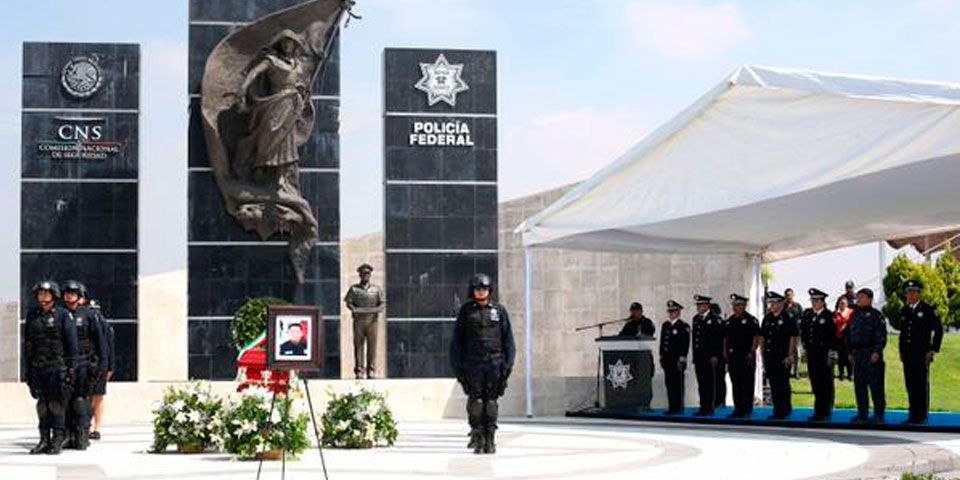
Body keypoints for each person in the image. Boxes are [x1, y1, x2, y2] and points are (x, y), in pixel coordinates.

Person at [450, 274, 515, 454]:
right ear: (472, 291)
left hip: (495, 363)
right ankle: (478, 438)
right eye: (477, 289)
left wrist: (508, 365)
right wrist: (458, 368)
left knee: (491, 401)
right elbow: (457, 342)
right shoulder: (466, 311)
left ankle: (490, 439)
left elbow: (508, 340)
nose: (481, 292)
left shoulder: (499, 311)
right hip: (473, 364)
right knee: (476, 401)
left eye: (484, 289)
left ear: (489, 290)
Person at [24, 281, 78, 455]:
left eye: (46, 294)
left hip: (57, 367)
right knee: (42, 405)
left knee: (56, 405)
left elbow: (72, 345)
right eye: (40, 294)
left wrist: (71, 369)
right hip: (38, 367)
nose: (42, 297)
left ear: (54, 296)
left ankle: (57, 440)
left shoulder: (63, 315)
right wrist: (28, 370)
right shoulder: (33, 315)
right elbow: (28, 344)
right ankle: (44, 439)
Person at [61, 281, 108, 450]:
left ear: (79, 296)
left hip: (85, 363)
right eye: (67, 293)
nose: (69, 296)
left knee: (81, 400)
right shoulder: (60, 314)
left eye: (73, 293)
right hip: (65, 364)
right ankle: (67, 435)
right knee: (65, 401)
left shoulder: (89, 314)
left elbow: (100, 341)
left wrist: (103, 364)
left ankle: (82, 435)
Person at [889, 280, 943, 425]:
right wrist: (901, 351)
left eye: (913, 292)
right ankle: (913, 415)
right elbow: (903, 333)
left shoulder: (927, 309)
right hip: (908, 354)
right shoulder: (905, 310)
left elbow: (938, 330)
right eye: (908, 293)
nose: (909, 295)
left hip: (921, 353)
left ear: (919, 294)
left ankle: (922, 416)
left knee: (921, 385)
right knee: (910, 385)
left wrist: (932, 349)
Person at [846, 288, 887, 424]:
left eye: (862, 297)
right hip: (858, 354)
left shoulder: (876, 315)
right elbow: (849, 334)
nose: (858, 299)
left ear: (870, 299)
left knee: (876, 386)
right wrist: (849, 351)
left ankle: (879, 414)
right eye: (858, 297)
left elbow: (881, 336)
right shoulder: (854, 315)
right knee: (860, 385)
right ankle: (862, 413)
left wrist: (877, 351)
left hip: (871, 353)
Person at [759, 291, 798, 419]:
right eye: (770, 303)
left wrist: (790, 355)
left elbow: (792, 337)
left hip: (782, 356)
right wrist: (762, 355)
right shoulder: (767, 318)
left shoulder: (788, 318)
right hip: (770, 356)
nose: (771, 305)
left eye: (774, 303)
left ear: (781, 303)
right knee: (773, 384)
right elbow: (763, 337)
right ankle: (777, 409)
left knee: (782, 384)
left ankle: (785, 409)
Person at [800, 288, 837, 421]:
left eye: (816, 301)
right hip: (812, 354)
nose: (813, 303)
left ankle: (826, 410)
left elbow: (833, 338)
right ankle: (818, 410)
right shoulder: (809, 315)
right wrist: (805, 349)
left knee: (825, 383)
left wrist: (831, 355)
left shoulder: (828, 316)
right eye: (812, 300)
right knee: (815, 383)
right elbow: (805, 334)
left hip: (824, 355)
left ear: (822, 302)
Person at [344, 264, 385, 379]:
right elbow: (348, 302)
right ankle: (359, 370)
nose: (365, 275)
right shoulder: (354, 289)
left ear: (370, 275)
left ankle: (371, 370)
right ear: (360, 275)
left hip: (372, 321)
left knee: (372, 346)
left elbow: (382, 303)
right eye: (363, 273)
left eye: (367, 273)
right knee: (359, 346)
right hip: (359, 321)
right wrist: (354, 309)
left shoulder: (376, 289)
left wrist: (376, 310)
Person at [724, 293, 760, 418]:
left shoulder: (751, 320)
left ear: (744, 305)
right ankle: (738, 408)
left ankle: (746, 409)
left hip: (746, 356)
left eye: (738, 305)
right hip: (733, 357)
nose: (735, 307)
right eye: (734, 305)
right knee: (736, 383)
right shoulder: (730, 321)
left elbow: (756, 337)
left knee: (747, 383)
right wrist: (725, 353)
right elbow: (725, 338)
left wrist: (752, 351)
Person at [692, 295, 724, 416]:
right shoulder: (696, 319)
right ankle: (703, 406)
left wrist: (715, 355)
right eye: (698, 305)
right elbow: (695, 339)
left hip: (709, 357)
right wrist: (695, 355)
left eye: (701, 305)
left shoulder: (714, 319)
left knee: (709, 382)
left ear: (707, 305)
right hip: (699, 356)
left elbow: (717, 339)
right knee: (701, 382)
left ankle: (710, 407)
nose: (699, 307)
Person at [86, 297, 113, 441]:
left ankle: (96, 427)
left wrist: (110, 367)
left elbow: (110, 348)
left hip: (100, 365)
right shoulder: (84, 324)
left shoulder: (105, 326)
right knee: (87, 397)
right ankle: (87, 426)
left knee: (98, 396)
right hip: (87, 364)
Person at [660, 300, 690, 415]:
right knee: (669, 384)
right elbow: (663, 342)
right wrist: (661, 356)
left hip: (677, 360)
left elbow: (685, 344)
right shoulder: (666, 325)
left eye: (673, 311)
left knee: (678, 384)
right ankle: (672, 406)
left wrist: (682, 359)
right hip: (667, 360)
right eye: (670, 311)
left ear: (678, 312)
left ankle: (679, 407)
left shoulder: (683, 326)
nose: (671, 314)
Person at [709, 302, 727, 407]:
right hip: (717, 354)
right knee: (718, 379)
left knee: (718, 379)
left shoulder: (718, 322)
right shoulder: (722, 322)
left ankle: (719, 400)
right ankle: (718, 400)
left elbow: (722, 340)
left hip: (718, 355)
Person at [784, 288, 803, 378]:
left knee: (798, 354)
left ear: (793, 295)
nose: (789, 297)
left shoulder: (798, 306)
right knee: (788, 352)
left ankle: (797, 372)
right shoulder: (783, 307)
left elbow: (802, 319)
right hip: (786, 335)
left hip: (797, 334)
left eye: (790, 295)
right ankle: (789, 371)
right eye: (787, 295)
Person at [833, 296, 853, 381]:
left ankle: (850, 374)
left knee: (849, 356)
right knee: (840, 356)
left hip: (849, 338)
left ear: (847, 304)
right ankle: (841, 374)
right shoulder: (835, 313)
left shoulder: (851, 312)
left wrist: (846, 326)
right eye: (841, 303)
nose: (842, 305)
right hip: (838, 338)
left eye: (844, 303)